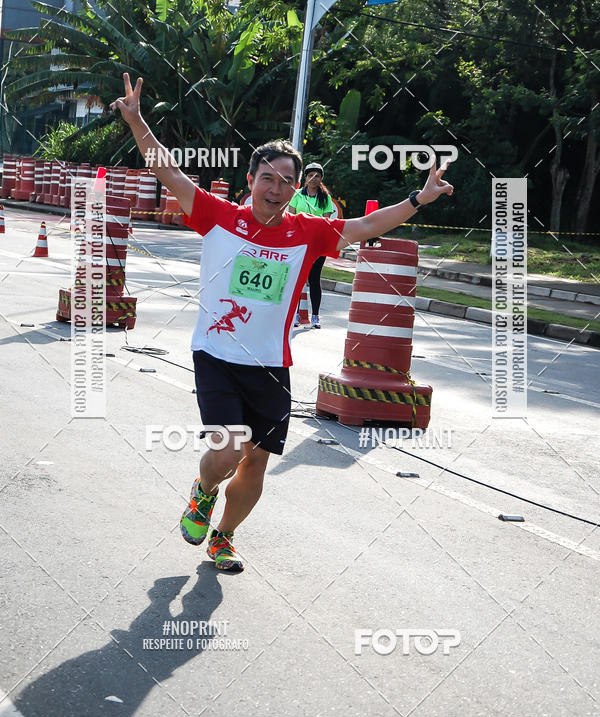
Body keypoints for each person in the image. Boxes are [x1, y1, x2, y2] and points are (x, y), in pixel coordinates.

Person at [111, 73, 453, 573]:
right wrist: (138, 121)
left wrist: (418, 200)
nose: (276, 188)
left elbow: (364, 227)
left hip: (272, 363)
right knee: (228, 449)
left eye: (286, 181)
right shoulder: (217, 215)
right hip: (215, 353)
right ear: (250, 181)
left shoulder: (308, 232)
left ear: (297, 188)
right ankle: (203, 492)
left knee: (256, 461)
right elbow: (169, 173)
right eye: (267, 178)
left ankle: (223, 538)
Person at [288, 162, 334, 329]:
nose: (313, 178)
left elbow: (327, 221)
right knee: (297, 279)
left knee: (314, 279)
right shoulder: (297, 196)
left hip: (318, 245)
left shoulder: (326, 198)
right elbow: (290, 217)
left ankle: (315, 316)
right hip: (299, 244)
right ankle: (295, 315)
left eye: (317, 175)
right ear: (305, 178)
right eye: (310, 175)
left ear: (321, 178)